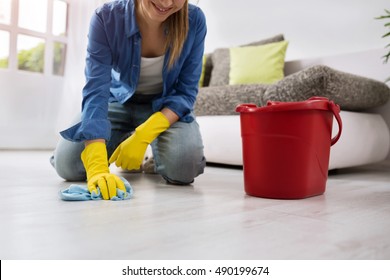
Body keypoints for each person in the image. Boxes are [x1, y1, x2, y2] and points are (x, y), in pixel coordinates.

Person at [51, 0, 207, 200]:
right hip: (117, 102)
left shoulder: (194, 20)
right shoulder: (106, 17)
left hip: (164, 108)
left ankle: (153, 157)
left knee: (183, 168)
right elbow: (96, 89)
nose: (167, 3)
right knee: (68, 166)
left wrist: (145, 133)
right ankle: (121, 140)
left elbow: (185, 92)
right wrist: (97, 164)